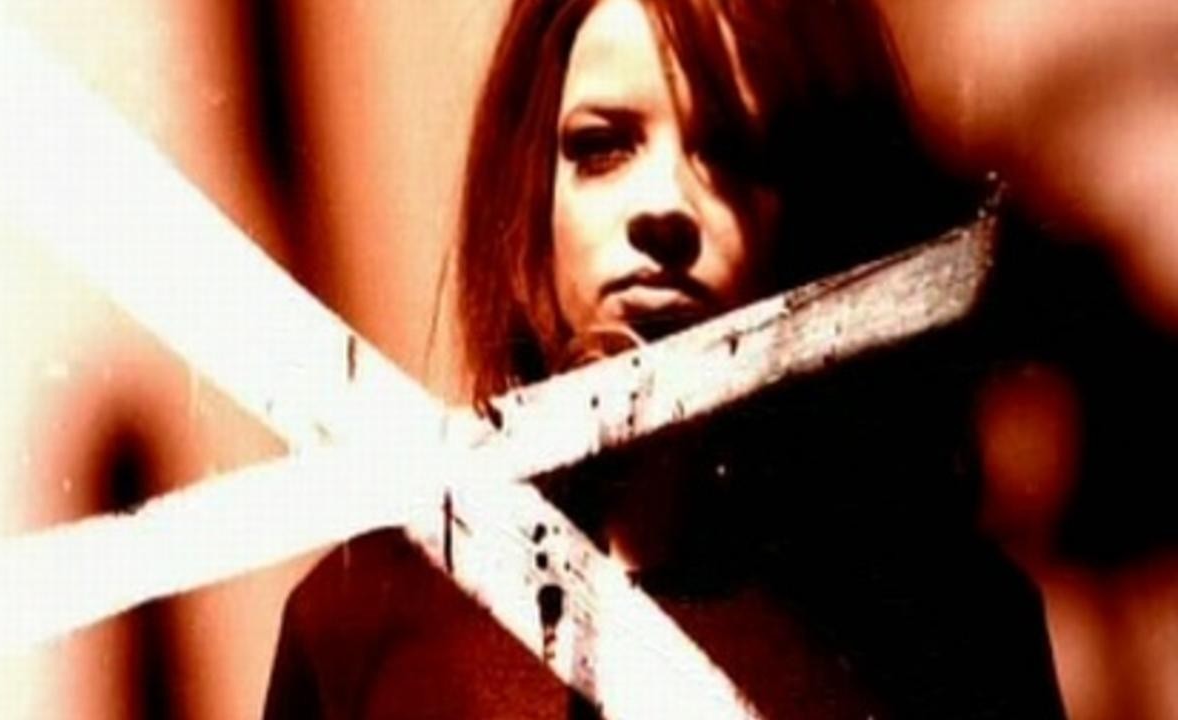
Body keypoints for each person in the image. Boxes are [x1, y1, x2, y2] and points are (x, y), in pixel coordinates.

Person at [264, 0, 1067, 717]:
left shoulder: (958, 632)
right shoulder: (361, 624)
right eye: (601, 148)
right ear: (533, 206)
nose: (661, 209)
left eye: (733, 151)